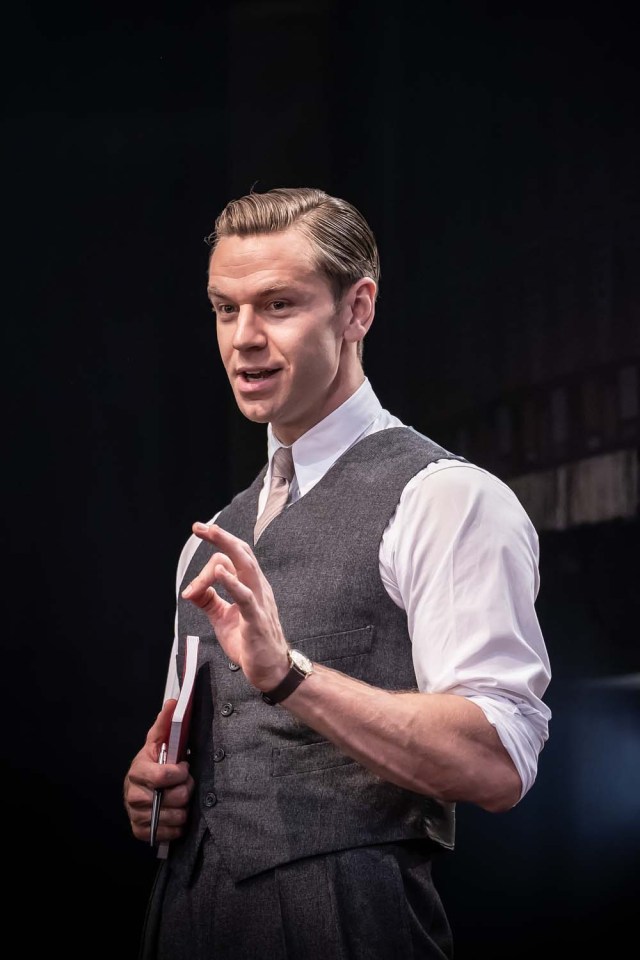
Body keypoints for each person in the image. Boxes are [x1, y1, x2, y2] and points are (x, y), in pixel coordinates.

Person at [124, 186, 551, 960]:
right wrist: (156, 791)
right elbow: (202, 756)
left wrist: (289, 675)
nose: (243, 339)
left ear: (358, 310)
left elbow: (498, 759)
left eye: (278, 305)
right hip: (184, 920)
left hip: (350, 925)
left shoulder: (445, 498)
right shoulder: (207, 542)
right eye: (226, 309)